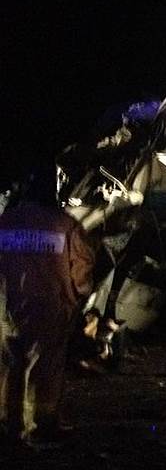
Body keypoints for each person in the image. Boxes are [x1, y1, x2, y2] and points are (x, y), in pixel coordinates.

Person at [0, 171, 95, 450]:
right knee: (45, 366)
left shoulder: (5, 222)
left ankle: (8, 424)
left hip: (6, 305)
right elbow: (82, 266)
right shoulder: (64, 224)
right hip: (48, 306)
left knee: (9, 365)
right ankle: (41, 426)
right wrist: (77, 297)